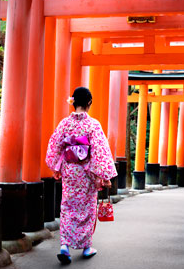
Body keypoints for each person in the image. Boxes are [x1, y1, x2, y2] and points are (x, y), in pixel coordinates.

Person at [45, 87, 117, 265]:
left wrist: (56, 167)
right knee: (87, 208)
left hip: (70, 171)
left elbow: (55, 146)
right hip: (86, 172)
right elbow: (100, 152)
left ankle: (64, 246)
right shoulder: (93, 125)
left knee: (67, 206)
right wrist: (105, 176)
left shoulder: (64, 124)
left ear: (74, 102)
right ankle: (86, 247)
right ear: (89, 103)